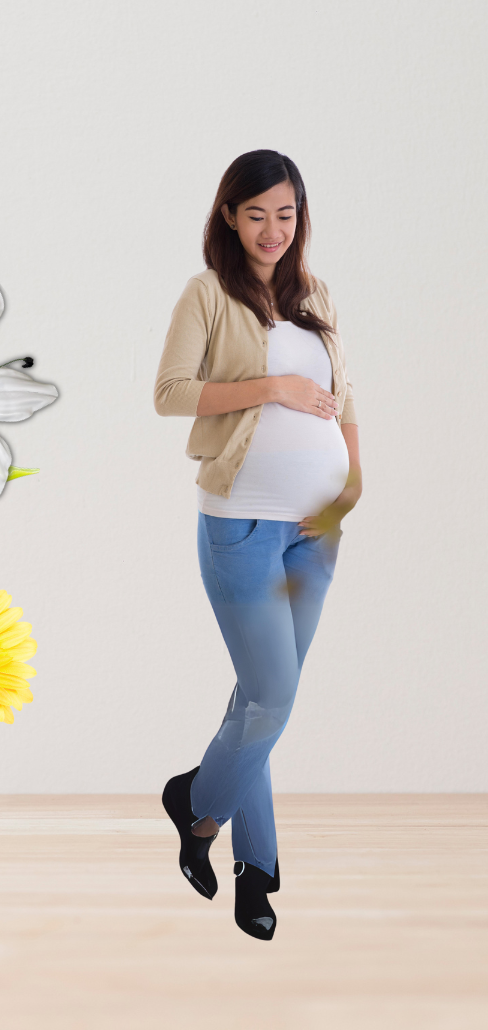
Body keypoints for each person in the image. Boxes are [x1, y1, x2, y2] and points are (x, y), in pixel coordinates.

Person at [153, 149, 362, 941]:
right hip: (240, 522)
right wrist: (272, 387)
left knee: (257, 704)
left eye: (286, 213)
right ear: (229, 218)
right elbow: (170, 393)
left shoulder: (316, 295)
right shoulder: (206, 294)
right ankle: (203, 812)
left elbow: (347, 392)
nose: (273, 229)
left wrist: (353, 483)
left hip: (317, 534)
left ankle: (249, 869)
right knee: (271, 698)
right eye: (256, 214)